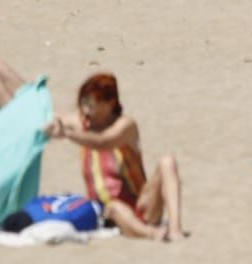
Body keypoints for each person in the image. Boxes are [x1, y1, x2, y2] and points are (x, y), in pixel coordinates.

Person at [45, 72, 184, 242]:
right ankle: (151, 234)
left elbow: (103, 142)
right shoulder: (81, 121)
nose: (85, 110)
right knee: (114, 207)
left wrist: (66, 133)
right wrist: (54, 125)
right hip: (106, 212)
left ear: (110, 103)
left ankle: (175, 229)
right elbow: (52, 118)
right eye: (83, 103)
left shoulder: (125, 126)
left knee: (167, 162)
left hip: (141, 205)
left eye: (91, 104)